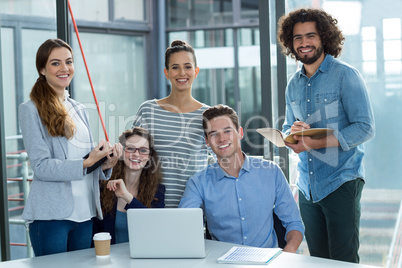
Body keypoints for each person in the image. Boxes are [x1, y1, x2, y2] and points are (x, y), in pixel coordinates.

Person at [277, 8, 375, 262]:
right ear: (291, 42)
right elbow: (289, 126)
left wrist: (312, 142)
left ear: (324, 38)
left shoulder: (346, 75)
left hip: (341, 181)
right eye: (297, 37)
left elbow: (365, 127)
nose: (304, 43)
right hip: (308, 188)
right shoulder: (293, 84)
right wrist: (292, 134)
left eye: (310, 35)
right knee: (317, 260)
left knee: (343, 260)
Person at [18, 38, 123, 256]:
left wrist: (106, 164)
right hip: (51, 216)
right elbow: (41, 167)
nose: (65, 68)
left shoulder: (79, 108)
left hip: (85, 214)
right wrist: (88, 161)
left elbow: (87, 165)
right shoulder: (30, 110)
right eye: (55, 63)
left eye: (69, 61)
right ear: (42, 69)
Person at [179, 105, 304, 253]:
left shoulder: (271, 172)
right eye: (214, 134)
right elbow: (183, 225)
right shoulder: (198, 183)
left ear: (240, 132)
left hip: (268, 262)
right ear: (207, 141)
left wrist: (286, 256)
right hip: (222, 263)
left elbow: (294, 223)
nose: (222, 139)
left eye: (227, 131)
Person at [132, 40, 210, 208]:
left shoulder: (207, 116)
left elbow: (222, 159)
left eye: (188, 67)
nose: (182, 73)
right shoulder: (148, 110)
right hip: (150, 205)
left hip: (193, 207)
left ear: (196, 71)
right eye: (175, 67)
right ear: (166, 73)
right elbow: (133, 157)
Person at [93, 127, 165, 244]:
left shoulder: (158, 191)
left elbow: (155, 227)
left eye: (143, 150)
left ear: (149, 157)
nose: (136, 154)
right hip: (109, 258)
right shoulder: (103, 186)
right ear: (121, 153)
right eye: (130, 148)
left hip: (143, 258)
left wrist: (128, 197)